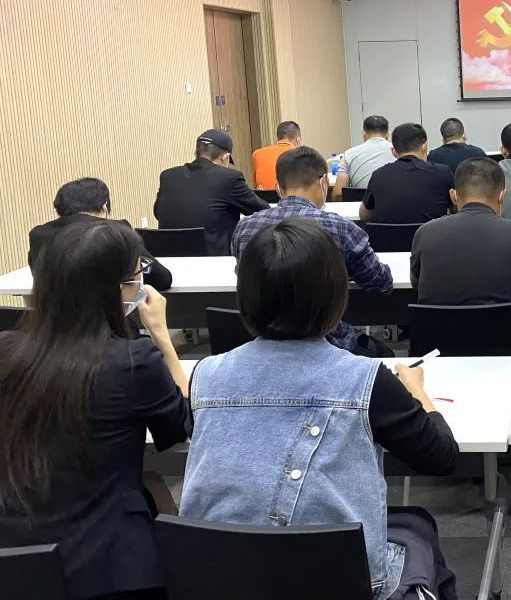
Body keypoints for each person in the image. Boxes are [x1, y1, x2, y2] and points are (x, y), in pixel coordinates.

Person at [179, 219, 458, 600]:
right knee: (417, 529)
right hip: (339, 582)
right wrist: (418, 391)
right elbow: (442, 457)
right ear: (336, 295)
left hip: (215, 581)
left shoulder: (204, 376)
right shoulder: (365, 379)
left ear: (245, 295)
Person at [0, 221, 189, 600]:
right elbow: (179, 427)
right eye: (138, 272)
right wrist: (162, 336)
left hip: (16, 560)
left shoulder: (6, 350)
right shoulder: (134, 361)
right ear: (118, 290)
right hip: (110, 567)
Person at [231, 146, 393, 356]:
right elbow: (380, 283)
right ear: (324, 182)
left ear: (278, 188)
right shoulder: (340, 227)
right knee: (385, 355)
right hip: (328, 342)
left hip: (262, 342)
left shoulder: (245, 228)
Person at [410, 158, 511, 351]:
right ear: (502, 196)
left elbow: (416, 283)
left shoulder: (424, 233)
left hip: (437, 352)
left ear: (453, 196)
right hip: (505, 350)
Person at [29, 177, 173, 291]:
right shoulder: (114, 230)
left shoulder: (38, 235)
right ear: (104, 208)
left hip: (53, 317)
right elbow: (161, 278)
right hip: (105, 317)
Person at [154, 129, 270, 255]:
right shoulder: (230, 178)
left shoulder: (167, 176)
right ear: (225, 158)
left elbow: (157, 212)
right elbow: (264, 211)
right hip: (214, 261)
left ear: (196, 154)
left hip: (167, 259)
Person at [361, 123, 454, 224]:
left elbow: (364, 215)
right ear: (424, 147)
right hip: (432, 234)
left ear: (393, 151)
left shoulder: (378, 175)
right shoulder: (443, 173)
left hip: (387, 235)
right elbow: (457, 208)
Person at [332, 115, 395, 200]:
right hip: (393, 204)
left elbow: (338, 194)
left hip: (360, 205)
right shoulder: (398, 151)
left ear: (364, 134)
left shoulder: (349, 154)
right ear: (387, 134)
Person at [251, 120, 301, 190]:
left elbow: (256, 186)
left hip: (263, 196)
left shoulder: (257, 154)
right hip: (290, 196)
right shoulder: (300, 155)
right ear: (298, 140)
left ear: (277, 139)